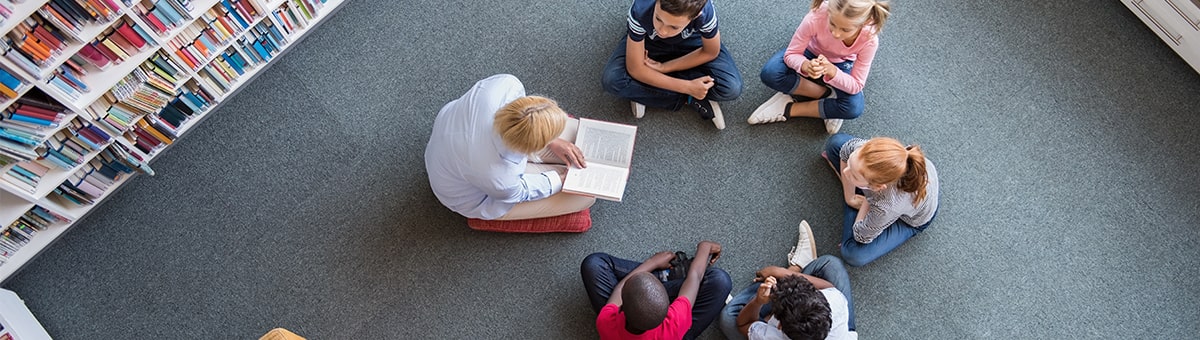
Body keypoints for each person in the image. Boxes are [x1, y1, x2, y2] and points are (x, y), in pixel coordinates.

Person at [424, 74, 596, 222]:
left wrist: (553, 140)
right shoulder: (499, 178)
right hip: (475, 193)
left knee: (579, 139)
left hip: (454, 141)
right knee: (584, 199)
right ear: (531, 147)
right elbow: (521, 191)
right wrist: (560, 180)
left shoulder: (505, 85)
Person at [747, 0, 891, 134]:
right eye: (832, 23)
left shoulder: (869, 40)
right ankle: (827, 95)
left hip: (842, 63)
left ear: (865, 22)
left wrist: (833, 72)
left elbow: (857, 85)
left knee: (853, 108)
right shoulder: (816, 17)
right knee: (770, 73)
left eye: (845, 30)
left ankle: (789, 109)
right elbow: (792, 54)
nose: (836, 33)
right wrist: (805, 65)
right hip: (810, 51)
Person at [601, 0, 743, 130]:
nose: (662, 31)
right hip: (649, 43)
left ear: (695, 16)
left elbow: (710, 52)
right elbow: (635, 68)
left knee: (731, 87)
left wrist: (664, 67)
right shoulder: (641, 9)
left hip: (692, 43)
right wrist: (688, 88)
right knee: (612, 80)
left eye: (673, 27)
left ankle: (645, 91)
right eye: (658, 19)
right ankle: (689, 97)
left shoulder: (705, 12)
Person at [718, 222, 856, 340]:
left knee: (729, 320)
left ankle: (790, 274)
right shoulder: (834, 301)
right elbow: (829, 287)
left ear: (779, 325)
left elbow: (743, 324)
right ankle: (797, 268)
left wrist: (758, 301)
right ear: (822, 300)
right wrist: (780, 272)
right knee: (830, 264)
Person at [823, 133, 939, 266]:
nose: (845, 172)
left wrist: (869, 201)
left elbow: (861, 235)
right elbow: (845, 152)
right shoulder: (860, 148)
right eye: (850, 164)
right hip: (887, 195)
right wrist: (850, 198)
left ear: (878, 187)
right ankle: (859, 192)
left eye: (853, 175)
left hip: (913, 218)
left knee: (853, 254)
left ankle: (863, 199)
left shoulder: (886, 206)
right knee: (835, 143)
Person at [581, 241, 733, 339]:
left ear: (621, 309)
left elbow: (621, 288)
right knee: (720, 281)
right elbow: (695, 276)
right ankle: (667, 276)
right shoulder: (674, 322)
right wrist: (705, 247)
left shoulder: (606, 322)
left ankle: (659, 276)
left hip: (629, 317)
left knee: (594, 264)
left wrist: (652, 262)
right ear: (668, 310)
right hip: (678, 334)